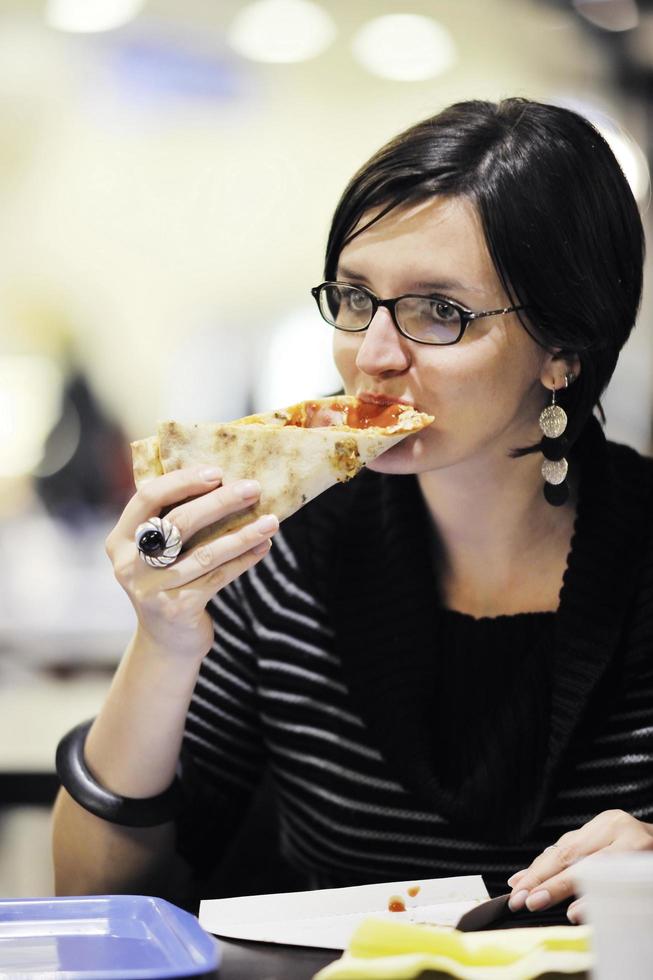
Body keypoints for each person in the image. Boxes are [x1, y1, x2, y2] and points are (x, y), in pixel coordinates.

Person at [52, 97, 653, 926]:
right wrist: (162, 638)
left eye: (439, 311)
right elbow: (95, 901)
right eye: (354, 296)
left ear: (562, 351)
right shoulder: (285, 549)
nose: (370, 356)